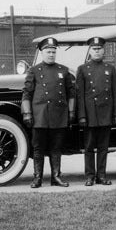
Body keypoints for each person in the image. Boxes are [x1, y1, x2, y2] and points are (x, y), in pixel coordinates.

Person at [21, 37, 76, 188]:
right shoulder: (34, 70)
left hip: (58, 116)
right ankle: (37, 178)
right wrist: (27, 113)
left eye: (53, 51)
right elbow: (26, 93)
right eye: (48, 51)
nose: (51, 54)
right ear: (42, 52)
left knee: (56, 148)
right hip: (40, 116)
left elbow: (71, 93)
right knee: (38, 148)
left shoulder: (63, 71)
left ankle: (56, 177)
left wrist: (71, 112)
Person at [76, 36, 116, 186]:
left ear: (103, 50)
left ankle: (101, 175)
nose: (97, 51)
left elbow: (115, 94)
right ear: (90, 51)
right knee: (88, 147)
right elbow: (80, 95)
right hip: (90, 115)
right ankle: (89, 176)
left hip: (105, 113)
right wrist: (81, 115)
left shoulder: (110, 69)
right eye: (94, 49)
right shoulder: (82, 69)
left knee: (103, 147)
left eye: (99, 49)